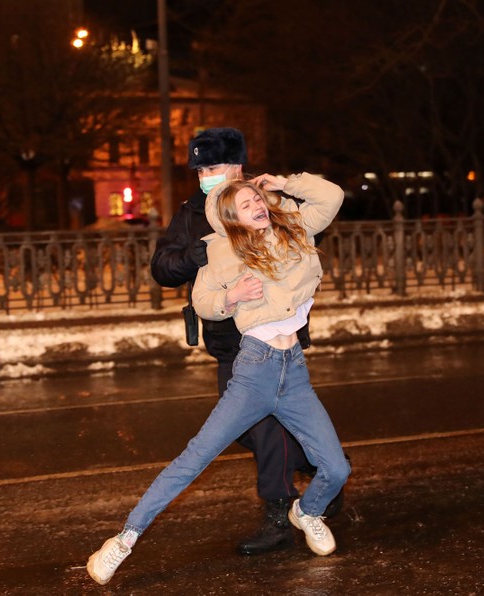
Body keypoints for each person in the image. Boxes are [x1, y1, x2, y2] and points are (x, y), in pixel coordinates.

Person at [87, 172, 351, 586]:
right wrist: (231, 298)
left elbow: (331, 194)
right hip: (254, 370)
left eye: (258, 199)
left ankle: (307, 512)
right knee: (193, 459)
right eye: (246, 205)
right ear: (230, 217)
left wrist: (284, 181)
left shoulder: (295, 228)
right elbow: (203, 302)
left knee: (335, 468)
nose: (258, 206)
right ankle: (123, 540)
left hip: (294, 369)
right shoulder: (219, 250)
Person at [149, 127, 342, 557]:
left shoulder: (264, 202)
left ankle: (279, 514)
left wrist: (280, 196)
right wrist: (193, 258)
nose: (206, 175)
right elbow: (161, 268)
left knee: (268, 427)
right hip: (226, 340)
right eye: (200, 169)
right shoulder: (192, 212)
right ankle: (315, 464)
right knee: (249, 432)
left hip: (273, 336)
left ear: (237, 166)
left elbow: (309, 231)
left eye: (213, 167)